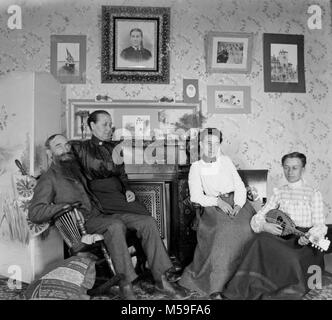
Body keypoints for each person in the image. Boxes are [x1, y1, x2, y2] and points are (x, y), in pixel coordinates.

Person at [28, 134, 187, 300]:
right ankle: (126, 285)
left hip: (102, 214)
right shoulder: (49, 179)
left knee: (146, 221)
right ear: (49, 152)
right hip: (84, 222)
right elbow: (35, 213)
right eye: (58, 146)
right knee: (115, 225)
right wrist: (63, 207)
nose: (65, 149)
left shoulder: (74, 167)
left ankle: (161, 278)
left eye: (67, 145)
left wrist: (124, 188)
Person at [222, 152, 328, 300]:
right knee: (259, 240)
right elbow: (260, 216)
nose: (289, 172)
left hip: (304, 241)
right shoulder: (279, 192)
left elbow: (320, 225)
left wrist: (310, 237)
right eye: (286, 168)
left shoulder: (313, 194)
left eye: (295, 168)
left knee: (291, 258)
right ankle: (240, 289)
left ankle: (276, 291)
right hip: (283, 234)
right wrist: (265, 226)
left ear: (303, 169)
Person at [178, 128, 256, 299]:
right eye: (208, 143)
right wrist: (218, 202)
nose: (212, 147)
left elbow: (239, 186)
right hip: (213, 205)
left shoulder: (226, 161)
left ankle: (244, 282)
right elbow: (196, 196)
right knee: (225, 232)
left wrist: (238, 204)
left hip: (237, 203)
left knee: (247, 228)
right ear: (200, 144)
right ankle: (217, 286)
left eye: (216, 143)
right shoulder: (196, 167)